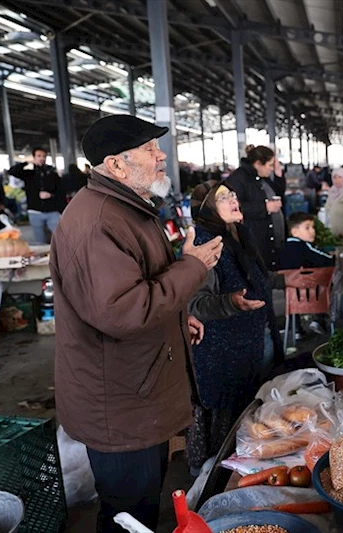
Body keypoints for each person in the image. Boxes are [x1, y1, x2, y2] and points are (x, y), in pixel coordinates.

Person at [50, 115, 223, 533]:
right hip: (120, 404)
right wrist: (192, 267)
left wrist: (178, 323)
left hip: (133, 390)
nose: (161, 154)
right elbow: (123, 311)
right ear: (116, 165)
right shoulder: (98, 224)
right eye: (149, 148)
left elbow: (138, 286)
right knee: (128, 514)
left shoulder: (125, 208)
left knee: (139, 503)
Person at [186, 180, 283, 475]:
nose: (233, 198)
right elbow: (195, 304)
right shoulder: (205, 242)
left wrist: (283, 280)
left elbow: (255, 278)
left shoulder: (237, 233)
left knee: (248, 413)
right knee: (225, 430)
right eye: (223, 197)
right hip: (221, 353)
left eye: (232, 193)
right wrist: (231, 303)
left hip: (248, 344)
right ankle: (216, 483)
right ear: (207, 210)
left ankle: (242, 469)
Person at [225, 146, 284, 270]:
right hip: (254, 240)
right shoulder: (238, 179)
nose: (272, 169)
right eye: (270, 165)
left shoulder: (261, 177)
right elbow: (232, 207)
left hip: (269, 240)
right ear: (258, 163)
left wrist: (279, 175)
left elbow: (277, 192)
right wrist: (264, 207)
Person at [7, 146, 64, 244]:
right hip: (35, 211)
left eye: (44, 156)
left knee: (60, 238)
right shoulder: (29, 173)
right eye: (39, 156)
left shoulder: (52, 173)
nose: (42, 158)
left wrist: (51, 196)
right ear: (34, 157)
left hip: (52, 211)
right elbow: (12, 171)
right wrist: (27, 162)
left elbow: (61, 191)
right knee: (40, 240)